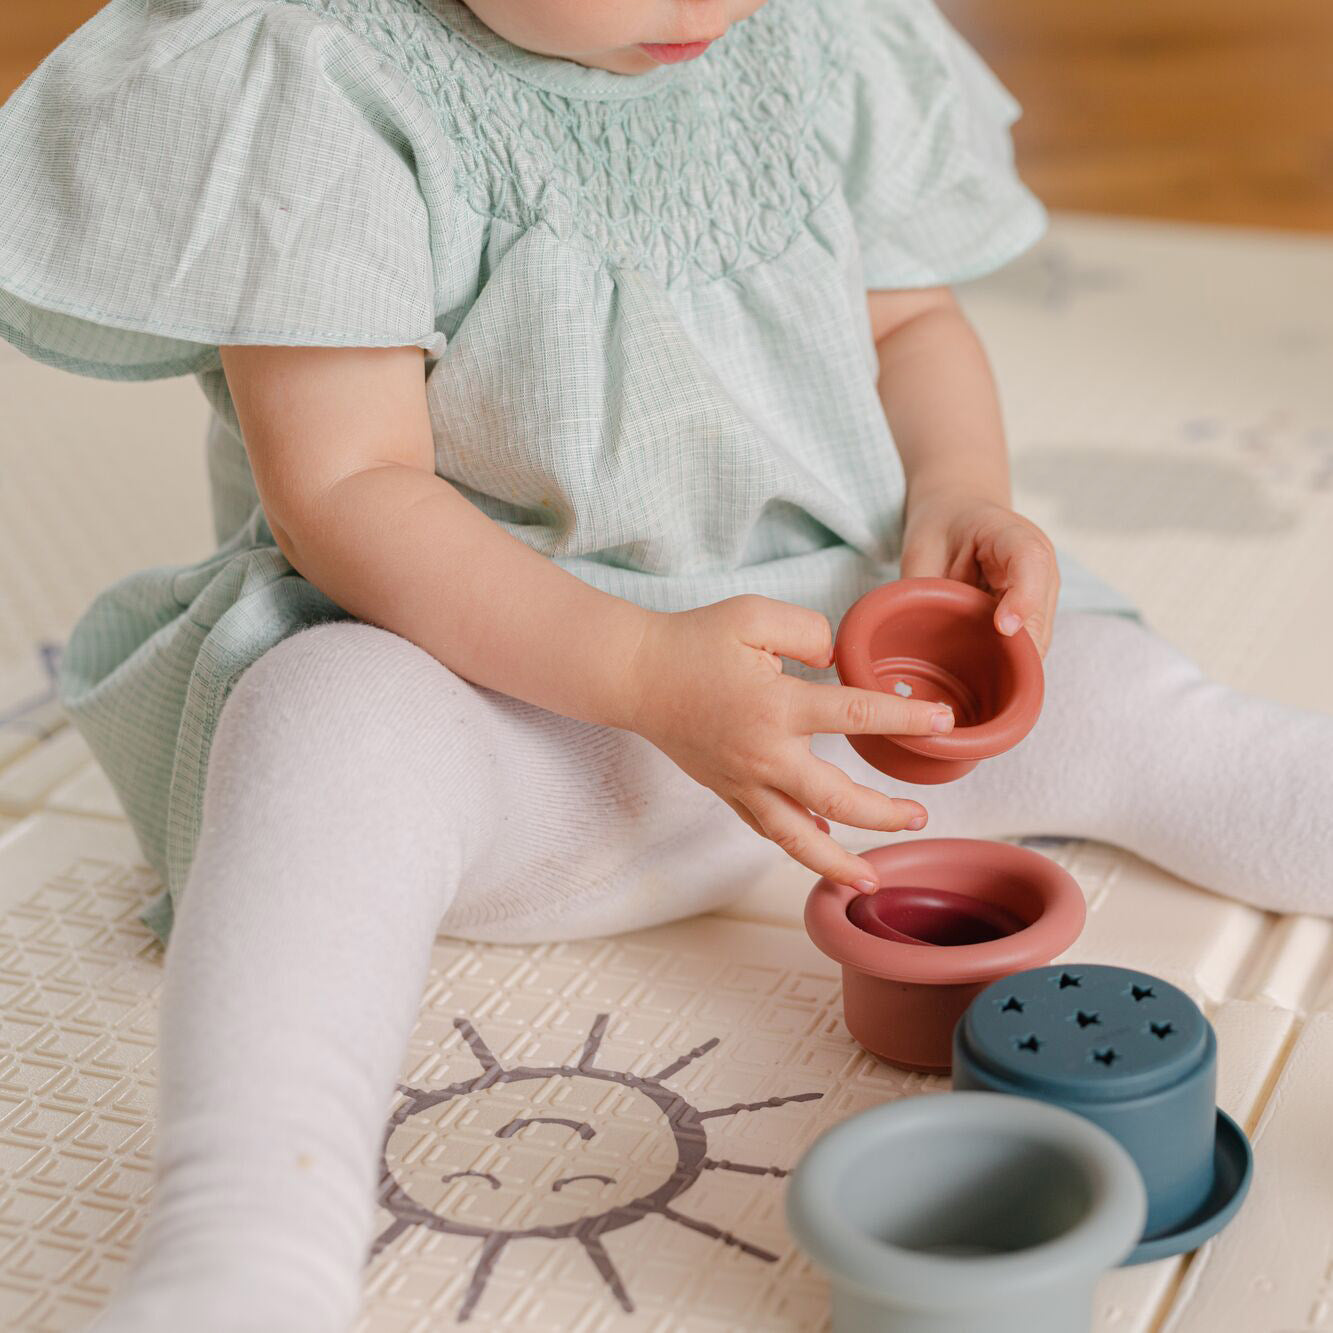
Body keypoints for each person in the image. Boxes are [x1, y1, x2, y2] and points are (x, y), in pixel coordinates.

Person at [0, 0, 1326, 1327]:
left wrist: (961, 492)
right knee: (321, 716)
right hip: (521, 728)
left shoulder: (816, 33)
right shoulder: (320, 76)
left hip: (852, 718)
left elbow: (906, 327)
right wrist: (640, 671)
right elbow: (346, 492)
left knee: (1121, 694)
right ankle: (245, 1247)